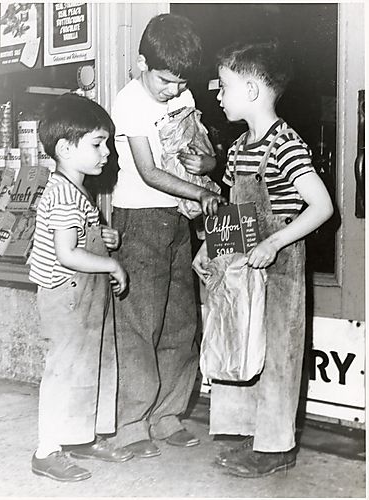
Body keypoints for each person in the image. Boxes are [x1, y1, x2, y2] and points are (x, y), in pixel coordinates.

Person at [193, 41, 333, 477]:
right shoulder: (236, 150)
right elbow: (236, 212)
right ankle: (243, 434)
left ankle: (274, 446)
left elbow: (322, 206)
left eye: (225, 86)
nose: (218, 95)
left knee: (277, 355)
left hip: (281, 269)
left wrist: (275, 243)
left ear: (252, 90)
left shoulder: (287, 145)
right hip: (240, 268)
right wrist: (208, 249)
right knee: (237, 344)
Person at [110, 13, 226, 458]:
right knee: (139, 323)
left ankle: (168, 413)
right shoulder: (129, 102)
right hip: (139, 219)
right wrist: (201, 190)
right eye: (164, 81)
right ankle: (132, 422)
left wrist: (209, 166)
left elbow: (204, 152)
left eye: (180, 83)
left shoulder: (183, 93)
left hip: (179, 219)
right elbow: (148, 170)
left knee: (181, 319)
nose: (173, 91)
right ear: (142, 63)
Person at [28, 93, 133, 483]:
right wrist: (110, 262)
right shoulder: (61, 193)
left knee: (94, 366)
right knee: (66, 371)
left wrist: (102, 235)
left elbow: (79, 234)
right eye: (97, 143)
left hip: (86, 296)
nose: (106, 152)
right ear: (65, 149)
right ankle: (48, 449)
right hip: (67, 296)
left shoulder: (76, 190)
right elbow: (68, 253)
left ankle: (81, 436)